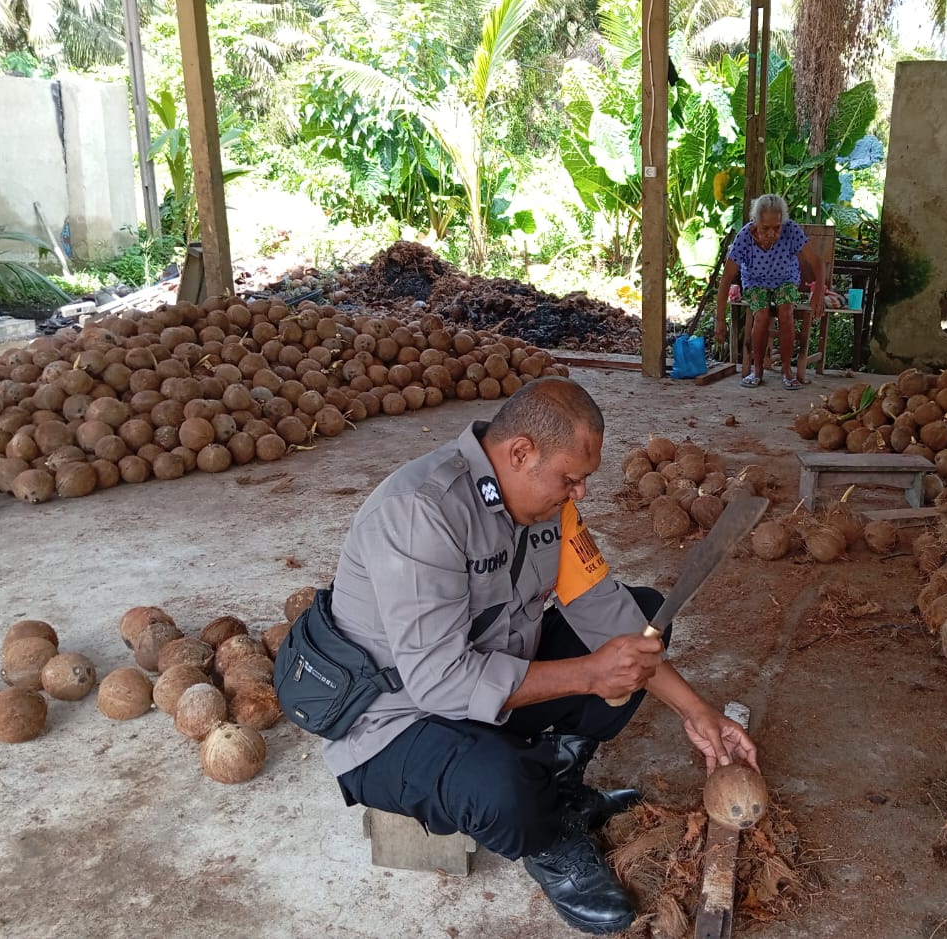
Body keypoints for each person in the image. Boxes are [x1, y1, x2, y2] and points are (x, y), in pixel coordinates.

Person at [322, 376, 758, 935]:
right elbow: (440, 684)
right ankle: (549, 836)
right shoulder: (421, 512)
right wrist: (588, 674)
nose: (579, 494)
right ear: (521, 452)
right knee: (503, 784)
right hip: (394, 718)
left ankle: (561, 782)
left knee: (644, 617)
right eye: (570, 479)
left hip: (488, 676)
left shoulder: (548, 507)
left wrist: (698, 712)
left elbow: (612, 616)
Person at [714, 193, 826, 389]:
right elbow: (726, 279)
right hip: (755, 282)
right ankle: (757, 370)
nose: (773, 233)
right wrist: (720, 319)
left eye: (777, 227)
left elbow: (817, 262)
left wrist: (818, 294)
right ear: (755, 222)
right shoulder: (744, 237)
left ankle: (786, 371)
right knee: (762, 315)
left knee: (786, 312)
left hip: (786, 280)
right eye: (766, 228)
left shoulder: (791, 230)